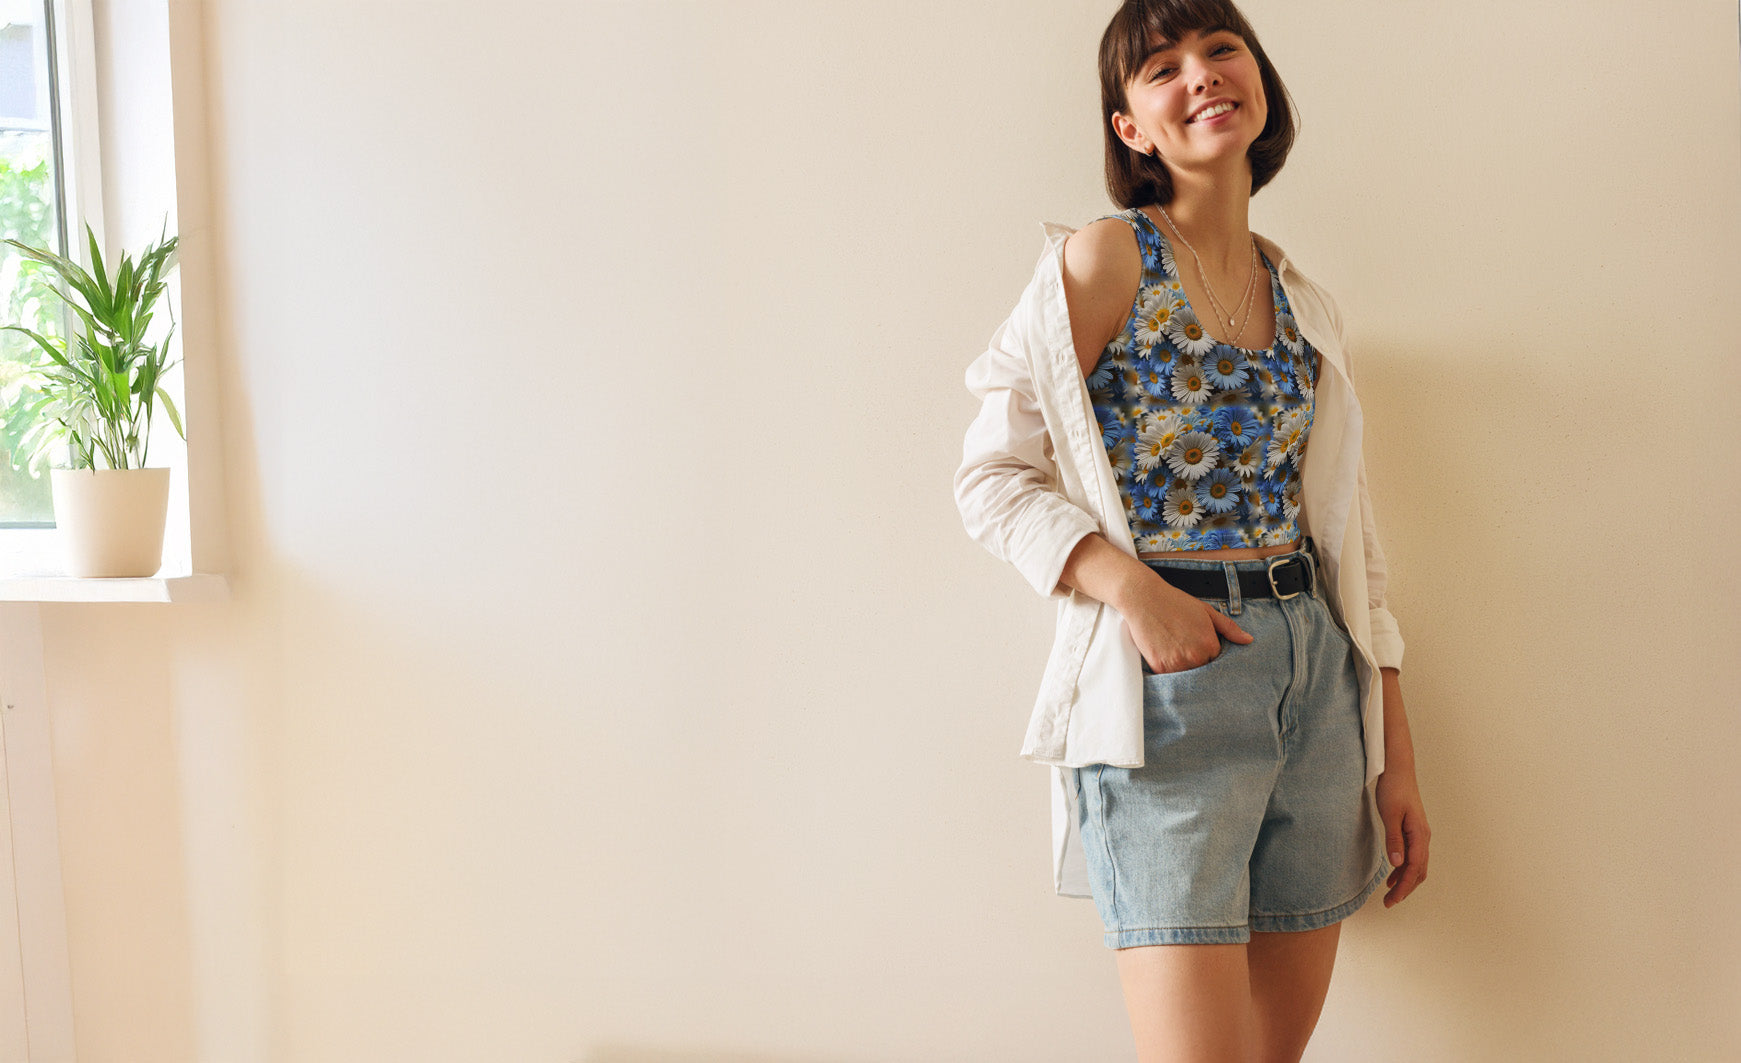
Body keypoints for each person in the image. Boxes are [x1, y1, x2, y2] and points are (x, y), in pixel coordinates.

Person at [951, 2, 1431, 1060]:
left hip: (1316, 686)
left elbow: (1353, 546)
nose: (1201, 73)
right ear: (1129, 127)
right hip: (1169, 692)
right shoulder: (1104, 259)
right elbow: (989, 477)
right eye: (1161, 66)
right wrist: (1134, 592)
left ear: (1258, 81)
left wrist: (1393, 753)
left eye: (1220, 49)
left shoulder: (1303, 302)